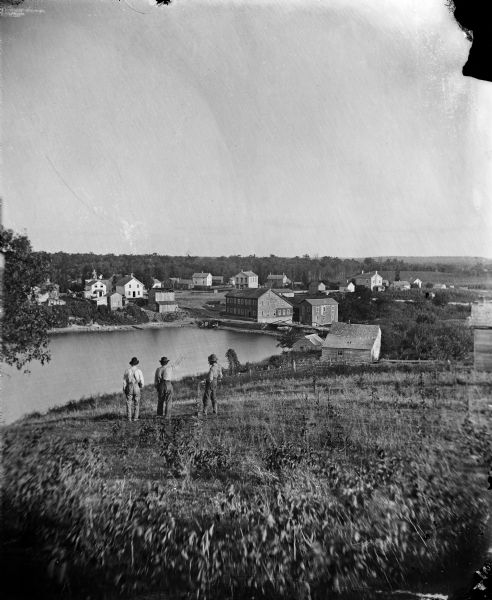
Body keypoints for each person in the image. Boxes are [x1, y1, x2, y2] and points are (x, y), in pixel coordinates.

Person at [123, 357, 144, 422]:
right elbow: (142, 381)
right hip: (136, 386)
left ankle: (129, 418)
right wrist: (141, 386)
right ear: (136, 364)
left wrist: (124, 389)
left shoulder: (127, 370)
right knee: (136, 402)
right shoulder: (139, 371)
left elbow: (124, 381)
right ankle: (135, 418)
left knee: (129, 402)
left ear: (131, 364)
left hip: (129, 386)